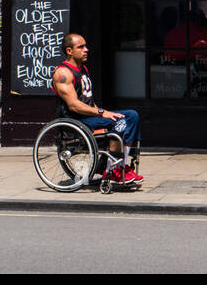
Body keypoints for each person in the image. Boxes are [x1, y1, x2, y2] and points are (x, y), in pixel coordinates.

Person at [51, 33, 143, 185]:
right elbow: (74, 105)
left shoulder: (83, 69)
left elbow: (88, 100)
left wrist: (103, 113)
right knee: (118, 123)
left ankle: (122, 166)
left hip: (89, 117)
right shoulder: (63, 73)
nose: (86, 50)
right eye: (81, 47)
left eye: (85, 46)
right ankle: (112, 170)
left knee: (132, 116)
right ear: (69, 51)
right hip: (76, 121)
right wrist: (101, 113)